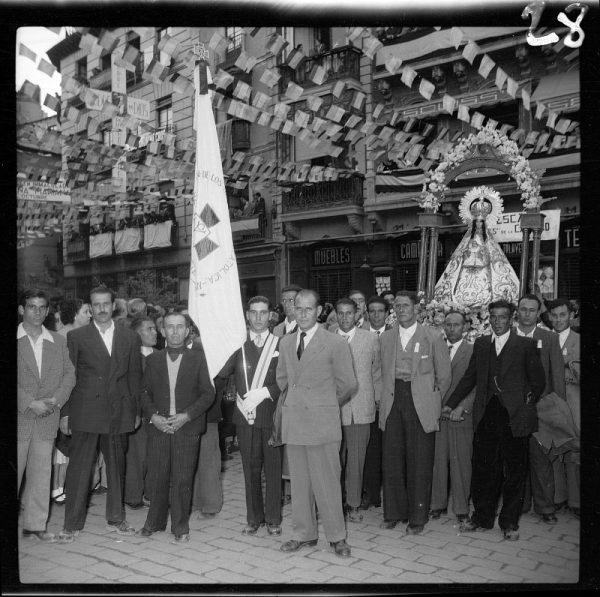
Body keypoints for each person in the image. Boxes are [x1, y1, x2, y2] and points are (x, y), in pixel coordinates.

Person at [445, 300, 546, 541]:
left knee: (514, 471)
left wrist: (525, 404)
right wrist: (451, 403)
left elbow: (538, 381)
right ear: (489, 318)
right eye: (493, 317)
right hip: (487, 414)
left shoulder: (525, 345)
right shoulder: (481, 344)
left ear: (511, 319)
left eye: (502, 317)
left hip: (514, 417)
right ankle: (482, 517)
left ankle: (509, 522)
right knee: (484, 469)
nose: (497, 322)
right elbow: (470, 378)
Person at [57, 284, 143, 543]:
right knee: (80, 469)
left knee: (116, 468)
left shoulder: (129, 337)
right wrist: (66, 413)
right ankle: (71, 524)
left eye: (106, 304)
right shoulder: (77, 337)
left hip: (119, 411)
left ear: (113, 305)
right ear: (91, 308)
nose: (102, 309)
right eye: (96, 305)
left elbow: (135, 377)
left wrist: (136, 411)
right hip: (85, 412)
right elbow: (69, 378)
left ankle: (116, 519)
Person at [276, 289, 357, 557]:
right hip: (295, 423)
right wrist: (297, 402)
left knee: (327, 483)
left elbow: (348, 384)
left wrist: (322, 403)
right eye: (298, 308)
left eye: (308, 309)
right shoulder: (286, 342)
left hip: (322, 423)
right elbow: (282, 379)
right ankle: (304, 533)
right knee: (299, 484)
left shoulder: (335, 343)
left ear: (319, 311)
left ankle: (337, 537)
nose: (302, 313)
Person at [136, 312, 215, 543]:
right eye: (170, 327)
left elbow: (208, 393)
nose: (175, 331)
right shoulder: (153, 360)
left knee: (182, 478)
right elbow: (143, 393)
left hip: (186, 426)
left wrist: (187, 415)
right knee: (158, 476)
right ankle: (155, 521)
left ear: (188, 330)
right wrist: (153, 416)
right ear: (162, 331)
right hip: (159, 425)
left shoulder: (199, 359)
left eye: (180, 327)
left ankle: (180, 525)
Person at [378, 290, 451, 535]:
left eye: (405, 306)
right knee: (392, 458)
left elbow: (444, 375)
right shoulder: (387, 338)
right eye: (397, 306)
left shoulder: (432, 336)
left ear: (416, 309)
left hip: (420, 401)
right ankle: (393, 513)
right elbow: (378, 371)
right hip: (393, 399)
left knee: (420, 460)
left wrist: (432, 399)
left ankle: (417, 517)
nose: (401, 310)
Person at [217, 296, 283, 536]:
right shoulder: (238, 345)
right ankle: (254, 518)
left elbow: (287, 379)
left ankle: (274, 518)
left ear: (271, 316)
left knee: (273, 470)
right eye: (253, 313)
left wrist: (267, 391)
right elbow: (223, 372)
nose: (258, 318)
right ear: (246, 315)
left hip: (272, 415)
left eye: (263, 313)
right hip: (245, 417)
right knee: (250, 470)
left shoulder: (280, 344)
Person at [18, 289, 76, 542]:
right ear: (22, 309)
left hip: (47, 417)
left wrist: (57, 399)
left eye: (42, 307)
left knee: (41, 474)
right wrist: (29, 402)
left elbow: (70, 374)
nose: (38, 312)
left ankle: (35, 526)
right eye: (32, 306)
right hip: (20, 416)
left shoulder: (58, 341)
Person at [516, 294, 566, 524]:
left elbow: (557, 376)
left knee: (541, 460)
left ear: (538, 314)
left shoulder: (548, 338)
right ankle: (520, 504)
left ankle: (545, 508)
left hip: (541, 409)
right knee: (515, 459)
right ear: (517, 311)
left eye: (531, 310)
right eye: (523, 309)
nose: (526, 313)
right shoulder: (507, 336)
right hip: (514, 410)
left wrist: (557, 410)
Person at [334, 298, 381, 523]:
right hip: (333, 409)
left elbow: (377, 372)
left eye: (349, 313)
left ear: (357, 315)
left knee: (356, 461)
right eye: (340, 313)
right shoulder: (327, 338)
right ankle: (334, 504)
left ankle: (353, 505)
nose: (345, 318)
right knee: (334, 460)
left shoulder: (371, 339)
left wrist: (377, 399)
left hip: (361, 408)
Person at [434, 194, 520, 308]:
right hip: (467, 269)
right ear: (473, 223)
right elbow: (459, 257)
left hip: (484, 270)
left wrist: (482, 253)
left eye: (481, 222)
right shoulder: (467, 240)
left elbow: (494, 258)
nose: (479, 224)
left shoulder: (489, 241)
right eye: (477, 222)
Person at [431, 311, 475, 523]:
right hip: (437, 415)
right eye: (448, 325)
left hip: (460, 416)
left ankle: (461, 508)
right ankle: (436, 504)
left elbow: (476, 384)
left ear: (465, 327)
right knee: (437, 462)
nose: (451, 329)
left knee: (461, 463)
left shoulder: (473, 351)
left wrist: (463, 407)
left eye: (456, 325)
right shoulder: (435, 349)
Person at [51, 299, 92, 506]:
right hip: (64, 399)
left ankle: (64, 488)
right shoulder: (65, 337)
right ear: (75, 314)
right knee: (63, 445)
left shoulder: (75, 335)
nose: (90, 315)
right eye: (86, 311)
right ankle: (58, 488)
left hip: (76, 397)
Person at [549, 298, 580, 517]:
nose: (559, 319)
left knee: (575, 452)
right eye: (555, 315)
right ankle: (557, 498)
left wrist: (567, 368)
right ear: (549, 317)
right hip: (550, 404)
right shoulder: (545, 339)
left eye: (563, 315)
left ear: (571, 316)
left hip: (573, 405)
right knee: (553, 450)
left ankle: (576, 501)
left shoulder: (579, 340)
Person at [360, 296, 391, 511]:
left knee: (386, 450)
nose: (376, 315)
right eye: (372, 311)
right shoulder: (360, 334)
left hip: (388, 400)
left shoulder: (395, 334)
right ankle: (370, 495)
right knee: (369, 451)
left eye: (380, 311)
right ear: (367, 313)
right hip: (365, 400)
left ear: (387, 314)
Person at [124, 316, 158, 509]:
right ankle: (133, 495)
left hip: (158, 414)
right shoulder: (131, 357)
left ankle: (152, 493)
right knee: (137, 456)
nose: (155, 332)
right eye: (149, 329)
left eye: (155, 328)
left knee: (155, 455)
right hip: (138, 414)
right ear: (137, 334)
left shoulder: (161, 354)